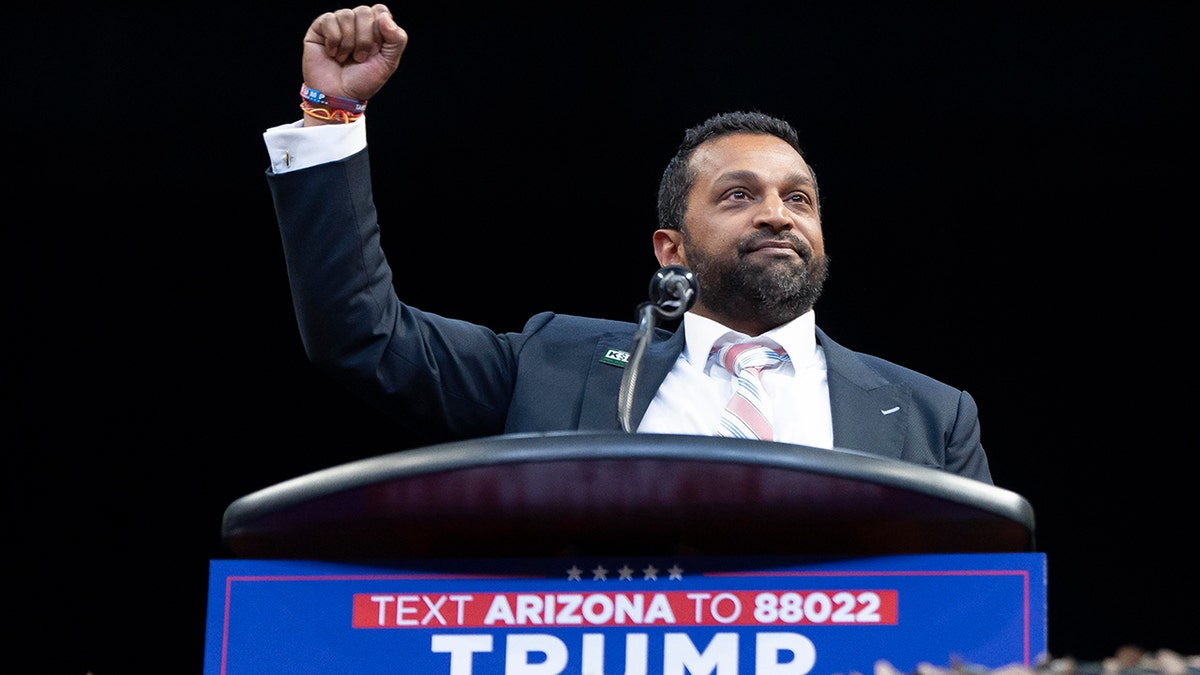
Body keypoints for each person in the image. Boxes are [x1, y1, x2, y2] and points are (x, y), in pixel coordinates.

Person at [262, 4, 993, 484]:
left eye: (798, 198)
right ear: (669, 249)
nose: (777, 214)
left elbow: (982, 605)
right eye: (738, 195)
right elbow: (362, 332)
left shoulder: (931, 416)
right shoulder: (552, 365)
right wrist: (332, 114)